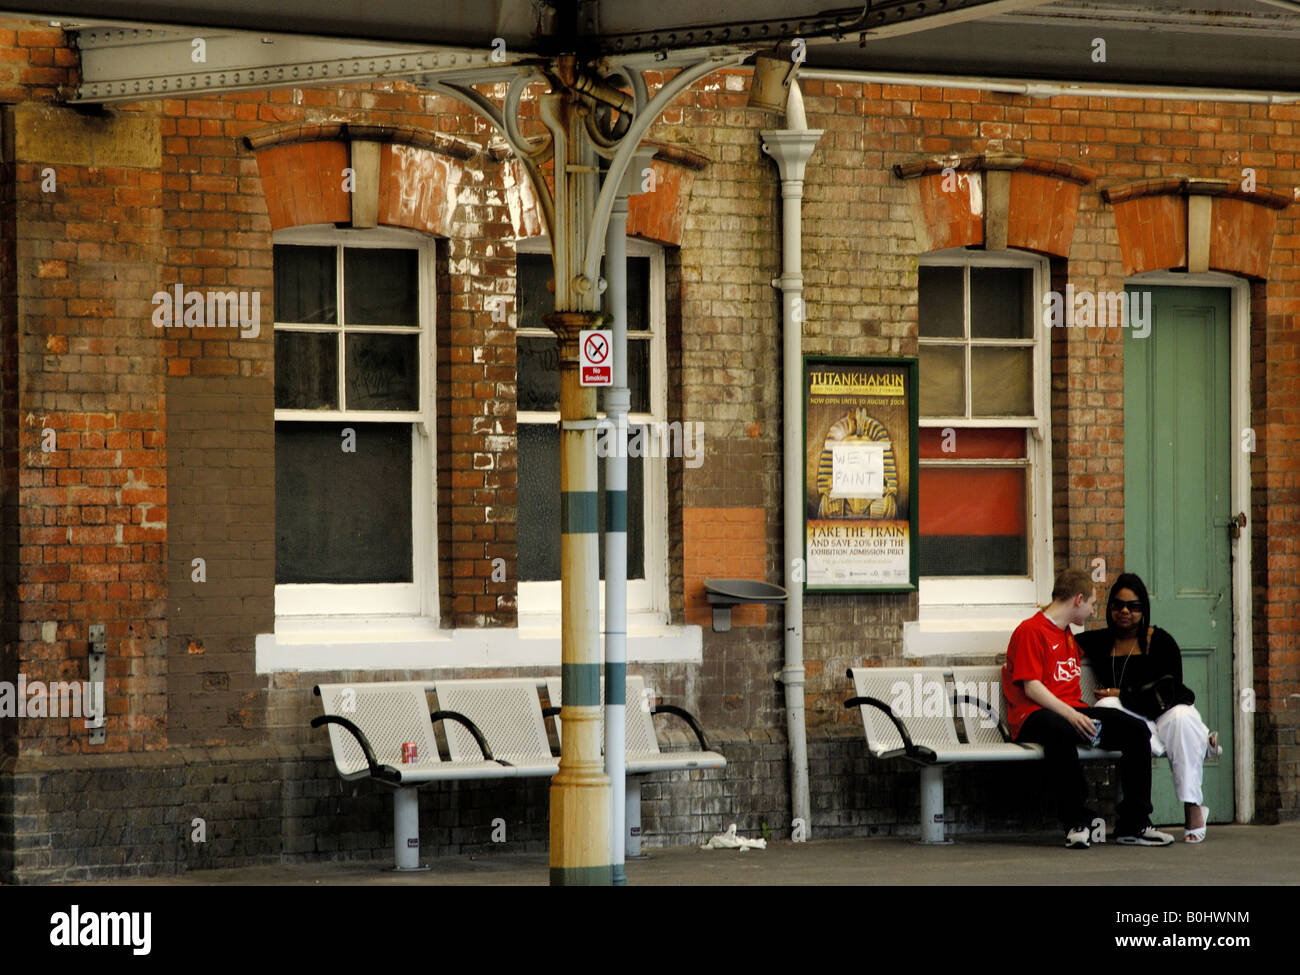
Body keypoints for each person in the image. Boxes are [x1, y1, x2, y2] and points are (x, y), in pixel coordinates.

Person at [1002, 567, 1174, 848]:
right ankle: (1076, 822)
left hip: (1071, 713)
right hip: (1032, 716)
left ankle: (1135, 824)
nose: (1094, 611)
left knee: (1135, 730)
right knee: (1061, 730)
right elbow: (1031, 687)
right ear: (1078, 599)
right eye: (1093, 603)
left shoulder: (1068, 634)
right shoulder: (1030, 631)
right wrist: (1072, 714)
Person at [1076, 573, 1222, 843]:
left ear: (1144, 609)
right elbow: (1060, 645)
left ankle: (1192, 808)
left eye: (1133, 606)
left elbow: (1170, 692)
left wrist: (1124, 693)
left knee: (1182, 716)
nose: (1124, 612)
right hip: (1135, 725)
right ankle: (1204, 741)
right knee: (1107, 704)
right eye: (1118, 605)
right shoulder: (1099, 642)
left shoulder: (1161, 641)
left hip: (1164, 717)